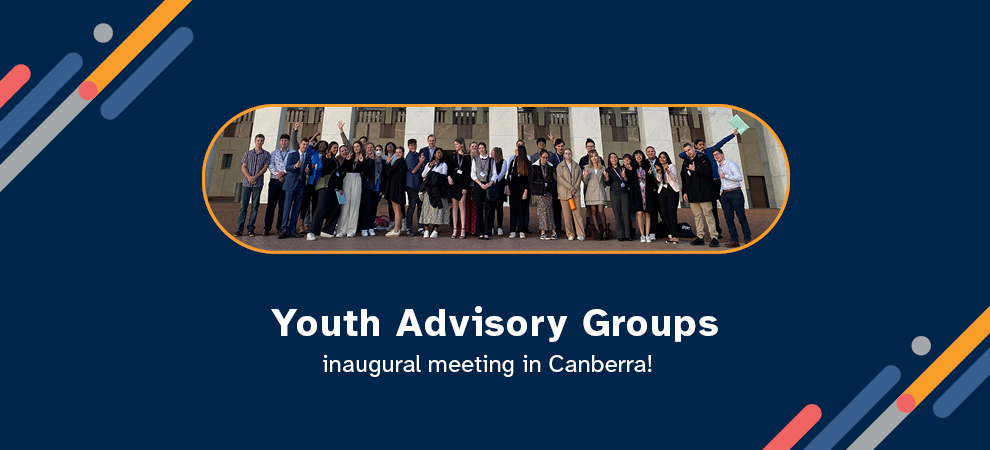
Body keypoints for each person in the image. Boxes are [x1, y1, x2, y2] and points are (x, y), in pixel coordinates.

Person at [679, 129, 741, 239]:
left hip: (718, 181)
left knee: (725, 207)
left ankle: (731, 233)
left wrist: (732, 135)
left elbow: (721, 143)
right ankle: (717, 231)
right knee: (711, 209)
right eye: (700, 145)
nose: (702, 146)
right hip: (708, 184)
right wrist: (693, 151)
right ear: (695, 146)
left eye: (703, 144)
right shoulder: (693, 156)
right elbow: (681, 154)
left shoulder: (709, 151)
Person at [680, 143, 718, 247]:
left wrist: (695, 169)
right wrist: (685, 192)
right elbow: (684, 178)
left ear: (693, 148)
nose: (688, 152)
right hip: (692, 194)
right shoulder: (686, 162)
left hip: (704, 192)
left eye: (689, 150)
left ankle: (714, 237)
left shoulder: (703, 158)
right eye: (686, 151)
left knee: (708, 214)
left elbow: (708, 173)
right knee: (697, 216)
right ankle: (700, 236)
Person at [712, 148, 751, 247]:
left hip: (735, 192)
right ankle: (734, 240)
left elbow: (739, 177)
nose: (716, 156)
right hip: (725, 194)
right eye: (714, 155)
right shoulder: (719, 167)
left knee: (741, 217)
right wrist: (721, 191)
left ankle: (747, 239)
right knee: (728, 218)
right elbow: (722, 181)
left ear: (723, 154)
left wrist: (726, 176)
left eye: (717, 154)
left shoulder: (731, 164)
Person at [234, 134, 271, 237]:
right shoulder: (248, 154)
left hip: (257, 183)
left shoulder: (266, 154)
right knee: (243, 207)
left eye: (262, 141)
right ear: (255, 141)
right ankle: (239, 229)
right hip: (247, 183)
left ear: (263, 142)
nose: (260, 142)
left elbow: (265, 167)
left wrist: (255, 177)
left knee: (255, 207)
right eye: (258, 140)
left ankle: (251, 228)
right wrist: (249, 177)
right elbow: (243, 167)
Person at [307, 141, 343, 241]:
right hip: (325, 186)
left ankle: (327, 230)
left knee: (336, 208)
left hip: (333, 187)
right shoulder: (325, 158)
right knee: (321, 208)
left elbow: (337, 175)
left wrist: (340, 188)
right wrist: (327, 160)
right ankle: (312, 231)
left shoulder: (335, 160)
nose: (335, 150)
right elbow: (325, 170)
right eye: (334, 148)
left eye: (337, 148)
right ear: (329, 149)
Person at [335, 121, 364, 238]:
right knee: (345, 204)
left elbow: (366, 171)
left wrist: (362, 163)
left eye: (358, 146)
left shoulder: (364, 157)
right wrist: (341, 130)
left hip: (357, 179)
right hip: (347, 178)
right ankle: (341, 229)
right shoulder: (349, 156)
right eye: (355, 146)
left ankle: (351, 229)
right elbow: (345, 142)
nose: (356, 148)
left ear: (360, 148)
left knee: (355, 204)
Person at [279, 136, 309, 239]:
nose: (305, 146)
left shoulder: (308, 157)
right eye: (303, 144)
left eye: (307, 145)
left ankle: (292, 229)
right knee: (287, 207)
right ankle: (284, 230)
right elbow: (287, 167)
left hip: (301, 185)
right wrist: (295, 166)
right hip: (291, 184)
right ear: (300, 144)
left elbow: (310, 171)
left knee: (296, 208)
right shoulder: (292, 155)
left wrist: (308, 172)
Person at [262, 132, 291, 235]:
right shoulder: (274, 153)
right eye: (282, 140)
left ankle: (280, 227)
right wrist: (278, 175)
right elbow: (270, 165)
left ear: (288, 142)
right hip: (275, 180)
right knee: (271, 205)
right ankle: (267, 228)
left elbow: (293, 166)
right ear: (279, 142)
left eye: (286, 141)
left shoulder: (292, 153)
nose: (284, 142)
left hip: (286, 181)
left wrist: (284, 173)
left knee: (283, 205)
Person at [295, 126, 321, 233]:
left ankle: (312, 225)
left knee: (314, 204)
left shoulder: (316, 154)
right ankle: (303, 224)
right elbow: (306, 144)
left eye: (315, 142)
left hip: (316, 182)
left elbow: (320, 167)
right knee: (305, 203)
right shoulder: (310, 152)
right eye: (312, 142)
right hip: (307, 180)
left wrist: (314, 166)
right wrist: (314, 135)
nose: (312, 144)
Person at [556, 148, 585, 241]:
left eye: (569, 153)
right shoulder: (560, 166)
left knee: (577, 213)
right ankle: (570, 233)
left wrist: (574, 188)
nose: (568, 155)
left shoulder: (576, 166)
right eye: (566, 153)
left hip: (575, 193)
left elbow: (579, 177)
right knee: (567, 215)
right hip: (564, 193)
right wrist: (570, 188)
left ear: (571, 155)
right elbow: (560, 179)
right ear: (563, 155)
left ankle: (580, 234)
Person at [420, 147, 450, 239]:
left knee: (437, 211)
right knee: (427, 210)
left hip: (439, 190)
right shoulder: (429, 163)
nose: (439, 154)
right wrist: (429, 167)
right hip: (428, 190)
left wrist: (432, 176)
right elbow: (423, 175)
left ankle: (435, 230)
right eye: (437, 153)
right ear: (434, 154)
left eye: (441, 153)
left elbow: (443, 176)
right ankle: (426, 230)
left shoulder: (444, 165)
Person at [471, 142, 498, 240]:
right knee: (478, 208)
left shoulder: (491, 160)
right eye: (480, 148)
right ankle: (480, 231)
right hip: (479, 185)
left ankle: (487, 231)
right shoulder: (475, 160)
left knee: (488, 209)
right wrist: (480, 184)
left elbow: (494, 174)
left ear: (486, 149)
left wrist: (489, 184)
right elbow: (473, 174)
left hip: (488, 185)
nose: (481, 150)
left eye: (483, 148)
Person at [655, 151, 681, 244]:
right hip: (663, 191)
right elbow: (659, 180)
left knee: (671, 212)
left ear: (667, 158)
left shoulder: (671, 166)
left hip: (672, 190)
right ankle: (671, 233)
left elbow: (674, 178)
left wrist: (667, 171)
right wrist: (659, 171)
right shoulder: (659, 167)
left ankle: (675, 235)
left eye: (664, 157)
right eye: (660, 157)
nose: (662, 159)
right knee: (664, 213)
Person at [604, 152, 631, 241]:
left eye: (615, 157)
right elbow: (607, 184)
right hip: (614, 193)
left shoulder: (623, 168)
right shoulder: (608, 170)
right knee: (617, 214)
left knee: (626, 213)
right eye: (611, 157)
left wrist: (624, 177)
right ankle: (620, 235)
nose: (614, 159)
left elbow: (627, 181)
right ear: (610, 160)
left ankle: (628, 235)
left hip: (624, 192)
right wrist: (607, 178)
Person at [530, 149, 556, 240]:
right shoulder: (535, 167)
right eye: (543, 157)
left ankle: (553, 230)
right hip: (539, 192)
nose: (545, 159)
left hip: (548, 191)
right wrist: (533, 191)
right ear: (540, 157)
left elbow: (552, 179)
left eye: (546, 158)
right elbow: (531, 180)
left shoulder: (550, 166)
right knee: (542, 212)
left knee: (549, 211)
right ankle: (543, 231)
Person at [448, 137, 471, 239]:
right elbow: (449, 169)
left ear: (462, 144)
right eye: (455, 144)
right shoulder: (453, 156)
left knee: (462, 206)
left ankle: (463, 229)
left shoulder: (467, 157)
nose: (456, 146)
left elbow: (468, 173)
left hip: (462, 185)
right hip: (454, 184)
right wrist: (448, 177)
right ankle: (455, 229)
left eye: (457, 144)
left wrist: (465, 187)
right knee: (454, 207)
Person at [360, 141, 384, 237]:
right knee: (367, 207)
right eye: (368, 148)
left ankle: (371, 227)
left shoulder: (380, 160)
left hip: (377, 187)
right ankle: (364, 227)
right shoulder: (365, 159)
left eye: (371, 147)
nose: (369, 149)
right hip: (368, 186)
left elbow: (382, 174)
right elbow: (366, 171)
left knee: (374, 208)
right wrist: (368, 160)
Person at [404, 138, 427, 236]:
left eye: (414, 145)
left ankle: (420, 227)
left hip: (419, 185)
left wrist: (422, 162)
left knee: (421, 206)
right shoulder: (409, 156)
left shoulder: (418, 155)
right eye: (411, 145)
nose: (413, 147)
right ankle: (409, 227)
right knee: (412, 206)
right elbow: (413, 170)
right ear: (408, 146)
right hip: (412, 185)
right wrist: (420, 161)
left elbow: (422, 168)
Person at [383, 146, 407, 237]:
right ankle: (397, 228)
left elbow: (389, 170)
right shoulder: (400, 161)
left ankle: (396, 229)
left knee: (396, 209)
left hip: (396, 186)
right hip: (397, 186)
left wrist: (388, 162)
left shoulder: (399, 161)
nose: (397, 154)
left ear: (403, 153)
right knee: (397, 209)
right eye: (396, 152)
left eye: (399, 152)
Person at [583, 151, 607, 240]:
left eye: (595, 156)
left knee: (601, 211)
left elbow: (605, 183)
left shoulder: (603, 168)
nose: (594, 158)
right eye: (592, 156)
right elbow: (585, 183)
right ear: (590, 158)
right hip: (591, 191)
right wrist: (585, 176)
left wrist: (606, 177)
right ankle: (598, 231)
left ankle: (605, 230)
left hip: (600, 191)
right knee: (593, 212)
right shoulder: (587, 168)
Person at [506, 145, 530, 239]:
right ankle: (512, 230)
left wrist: (526, 191)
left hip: (522, 190)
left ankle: (522, 230)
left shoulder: (527, 163)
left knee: (522, 211)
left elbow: (528, 179)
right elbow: (509, 175)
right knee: (513, 211)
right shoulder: (513, 162)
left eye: (517, 150)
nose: (515, 151)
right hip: (513, 191)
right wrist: (507, 187)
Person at [627, 152, 651, 242]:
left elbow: (650, 178)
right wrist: (630, 171)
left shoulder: (647, 165)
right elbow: (629, 182)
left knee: (647, 213)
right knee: (639, 213)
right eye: (636, 155)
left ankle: (647, 234)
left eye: (640, 155)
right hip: (637, 192)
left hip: (646, 191)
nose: (638, 156)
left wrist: (649, 174)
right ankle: (642, 235)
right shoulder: (632, 166)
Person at [644, 146, 664, 240]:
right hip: (651, 190)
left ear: (655, 152)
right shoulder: (645, 163)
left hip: (662, 188)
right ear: (646, 153)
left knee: (664, 211)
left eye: (652, 151)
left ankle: (668, 231)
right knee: (653, 212)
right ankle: (653, 231)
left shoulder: (660, 161)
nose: (651, 153)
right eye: (648, 151)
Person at [492, 147, 508, 236]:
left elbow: (502, 173)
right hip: (491, 186)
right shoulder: (491, 161)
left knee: (499, 208)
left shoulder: (503, 162)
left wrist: (495, 180)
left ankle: (499, 227)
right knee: (491, 208)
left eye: (492, 152)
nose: (491, 153)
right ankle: (491, 227)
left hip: (499, 187)